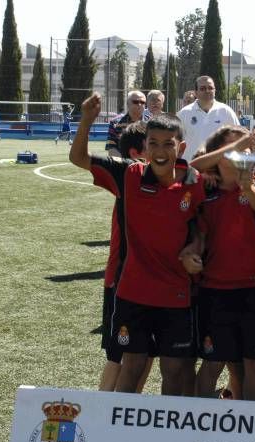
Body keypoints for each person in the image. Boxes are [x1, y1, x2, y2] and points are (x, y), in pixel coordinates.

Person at [70, 92, 205, 396]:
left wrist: (193, 248)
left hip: (176, 294)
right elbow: (78, 158)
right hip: (134, 293)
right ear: (143, 148)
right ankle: (121, 438)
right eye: (153, 143)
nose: (160, 151)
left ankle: (167, 441)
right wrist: (87, 121)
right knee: (132, 367)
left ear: (180, 148)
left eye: (168, 144)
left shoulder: (192, 184)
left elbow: (201, 228)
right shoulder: (129, 174)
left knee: (174, 371)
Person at [187, 125, 255, 402]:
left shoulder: (254, 187)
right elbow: (194, 166)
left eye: (247, 150)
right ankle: (197, 428)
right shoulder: (205, 191)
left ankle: (253, 431)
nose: (242, 155)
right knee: (213, 364)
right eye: (234, 150)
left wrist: (247, 183)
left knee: (254, 366)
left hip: (254, 289)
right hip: (215, 291)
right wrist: (192, 253)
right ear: (218, 155)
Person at [96, 120, 155, 392]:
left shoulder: (161, 179)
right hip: (121, 279)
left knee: (145, 355)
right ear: (136, 154)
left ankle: (126, 413)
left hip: (149, 282)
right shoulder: (129, 177)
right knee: (118, 357)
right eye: (152, 143)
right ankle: (102, 415)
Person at [177, 76, 239, 161]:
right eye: (202, 88)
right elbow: (176, 141)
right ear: (196, 92)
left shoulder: (226, 112)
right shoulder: (184, 113)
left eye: (210, 88)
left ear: (215, 90)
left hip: (218, 168)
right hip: (191, 168)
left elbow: (238, 138)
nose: (207, 91)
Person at [106, 90, 148, 157]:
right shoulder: (115, 123)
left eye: (143, 102)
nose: (139, 104)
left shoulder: (151, 123)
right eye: (135, 102)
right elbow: (111, 149)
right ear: (128, 104)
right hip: (123, 164)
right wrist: (127, 163)